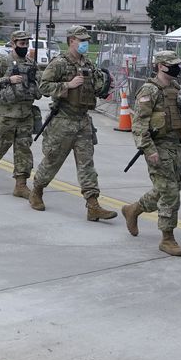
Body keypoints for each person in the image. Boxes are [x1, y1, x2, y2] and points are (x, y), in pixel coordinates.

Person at [121, 50, 181, 256]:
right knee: (170, 192)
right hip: (157, 147)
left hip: (175, 146)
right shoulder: (149, 91)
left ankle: (134, 209)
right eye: (173, 64)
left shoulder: (176, 89)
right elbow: (139, 124)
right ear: (161, 66)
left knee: (171, 187)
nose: (177, 68)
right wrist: (149, 149)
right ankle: (167, 238)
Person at [31, 25, 117, 222]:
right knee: (53, 161)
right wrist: (67, 85)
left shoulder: (88, 64)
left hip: (83, 120)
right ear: (71, 41)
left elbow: (95, 86)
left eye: (86, 40)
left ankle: (93, 204)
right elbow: (43, 86)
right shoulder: (60, 63)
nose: (85, 43)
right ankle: (36, 190)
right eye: (81, 40)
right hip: (63, 119)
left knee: (87, 164)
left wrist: (104, 85)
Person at [0, 30, 39, 199]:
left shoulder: (30, 64)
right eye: (21, 43)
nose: (24, 47)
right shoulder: (2, 62)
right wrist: (7, 80)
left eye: (27, 43)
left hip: (25, 114)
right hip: (5, 115)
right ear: (13, 43)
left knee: (23, 150)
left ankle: (21, 185)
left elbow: (38, 83)